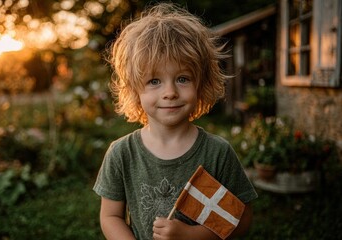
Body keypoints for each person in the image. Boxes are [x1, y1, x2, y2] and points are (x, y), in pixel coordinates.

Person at [93, 3, 258, 240]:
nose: (170, 92)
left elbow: (242, 218)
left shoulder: (217, 153)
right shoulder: (121, 154)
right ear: (134, 90)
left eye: (182, 78)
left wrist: (190, 235)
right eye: (154, 81)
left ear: (201, 84)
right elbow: (110, 217)